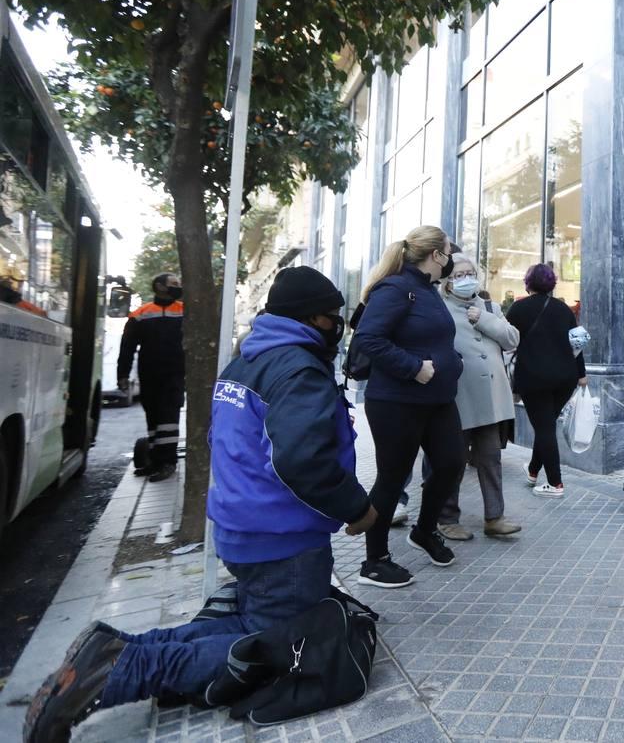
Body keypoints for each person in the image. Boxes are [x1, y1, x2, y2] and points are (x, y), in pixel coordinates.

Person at [25, 267, 376, 742]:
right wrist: (358, 508)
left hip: (245, 527)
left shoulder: (247, 361)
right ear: (313, 318)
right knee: (273, 643)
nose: (338, 326)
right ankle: (124, 671)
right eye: (333, 317)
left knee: (252, 620)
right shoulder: (296, 368)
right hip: (284, 538)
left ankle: (119, 649)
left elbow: (224, 440)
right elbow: (302, 459)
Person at [354, 226, 466, 588]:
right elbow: (368, 337)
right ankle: (375, 561)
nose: (451, 259)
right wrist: (413, 367)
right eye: (449, 252)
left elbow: (436, 339)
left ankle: (424, 531)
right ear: (436, 255)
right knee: (391, 478)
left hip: (437, 400)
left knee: (451, 465)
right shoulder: (396, 288)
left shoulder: (427, 291)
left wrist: (453, 362)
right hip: (396, 402)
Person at [439, 254, 522, 539]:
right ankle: (447, 518)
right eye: (459, 275)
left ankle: (494, 517)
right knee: (452, 462)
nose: (466, 279)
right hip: (457, 397)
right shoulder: (439, 308)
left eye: (471, 273)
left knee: (490, 458)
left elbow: (512, 339)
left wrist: (485, 319)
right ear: (447, 282)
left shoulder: (489, 306)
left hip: (490, 399)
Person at [507, 263, 587, 498]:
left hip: (534, 379)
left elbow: (506, 340)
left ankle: (555, 483)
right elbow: (578, 346)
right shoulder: (564, 309)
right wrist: (581, 374)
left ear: (527, 282)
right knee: (546, 425)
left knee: (544, 428)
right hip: (565, 378)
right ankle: (533, 471)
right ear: (552, 283)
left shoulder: (518, 309)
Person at [117, 272, 186, 482]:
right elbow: (127, 348)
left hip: (174, 374)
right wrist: (122, 375)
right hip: (149, 374)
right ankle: (156, 461)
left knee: (168, 418)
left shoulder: (185, 312)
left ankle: (168, 462)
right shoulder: (140, 314)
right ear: (160, 287)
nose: (178, 287)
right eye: (173, 284)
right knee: (154, 419)